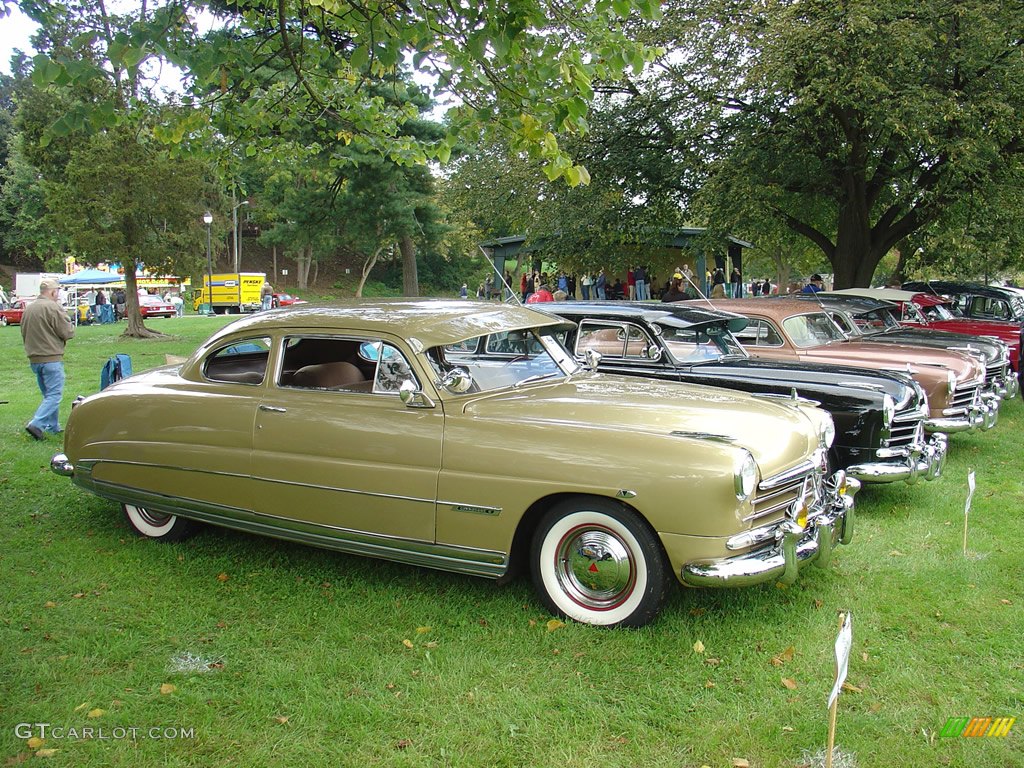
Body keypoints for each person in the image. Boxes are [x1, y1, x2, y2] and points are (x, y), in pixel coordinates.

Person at [21, 279, 76, 440]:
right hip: (51, 357)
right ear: (53, 292)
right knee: (54, 395)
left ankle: (52, 426)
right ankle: (36, 424)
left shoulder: (29, 309)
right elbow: (67, 332)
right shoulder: (53, 307)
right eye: (57, 291)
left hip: (34, 358)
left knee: (48, 394)